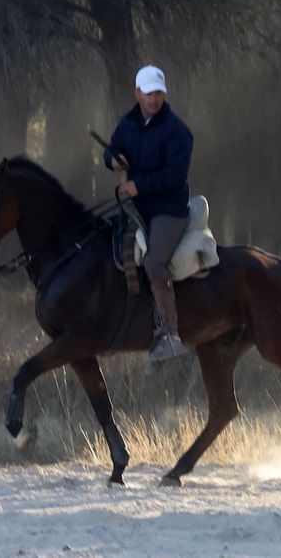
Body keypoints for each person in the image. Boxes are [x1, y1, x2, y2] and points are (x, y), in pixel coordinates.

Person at [103, 65, 194, 361]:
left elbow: (175, 175)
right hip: (136, 205)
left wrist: (138, 185)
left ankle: (170, 333)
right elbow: (112, 151)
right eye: (149, 93)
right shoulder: (127, 124)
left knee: (154, 262)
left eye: (159, 93)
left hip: (168, 208)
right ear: (137, 93)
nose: (154, 99)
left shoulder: (178, 131)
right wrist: (112, 161)